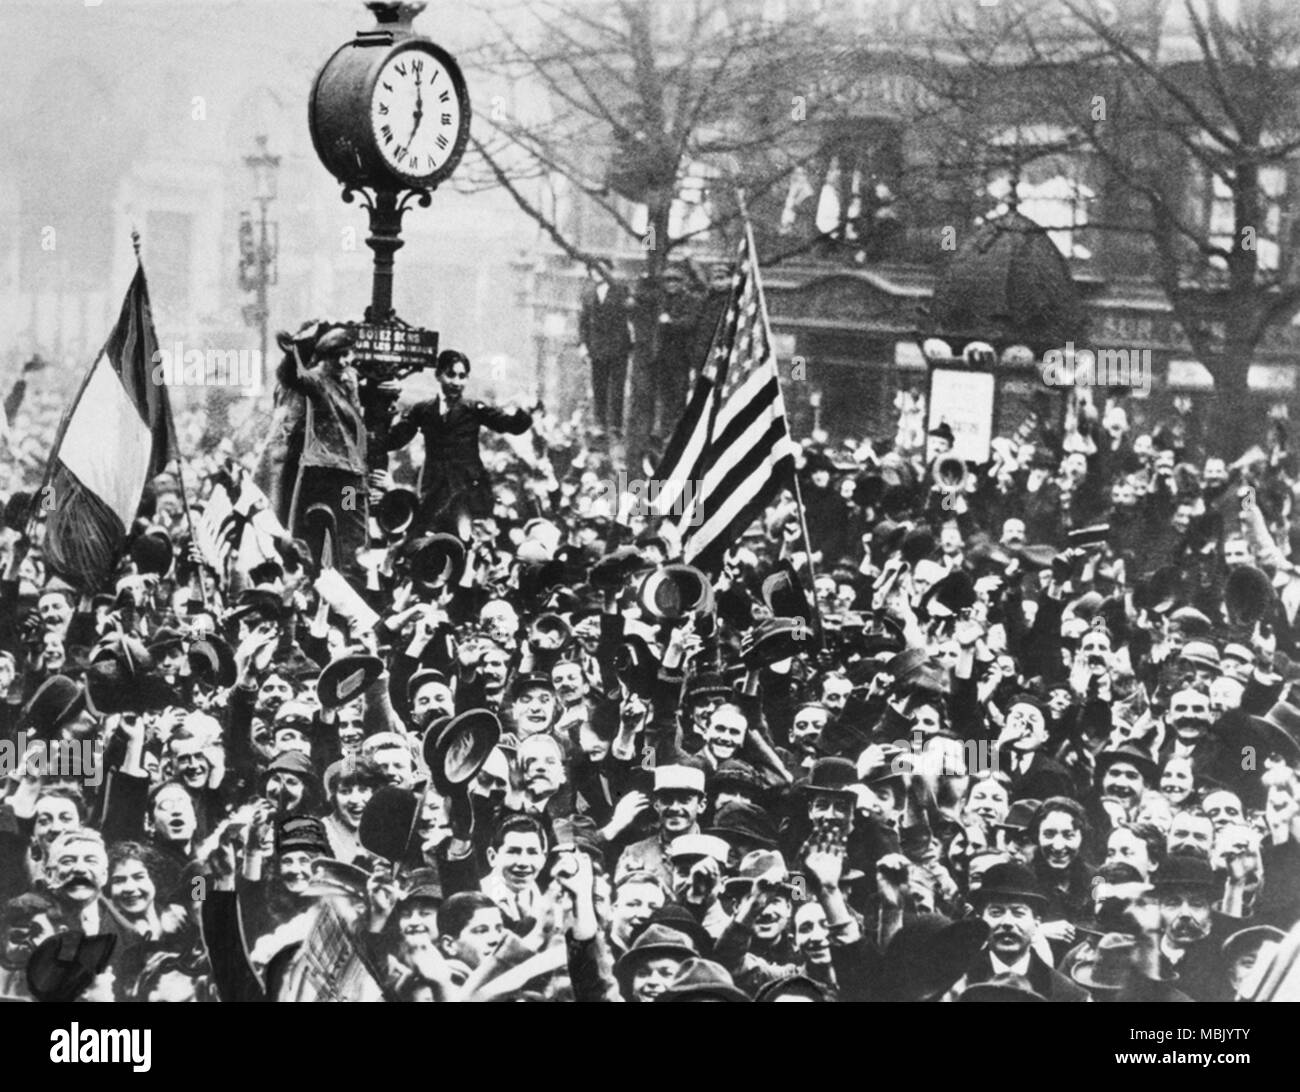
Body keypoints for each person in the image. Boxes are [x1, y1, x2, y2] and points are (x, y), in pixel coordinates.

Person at [385, 350, 533, 537]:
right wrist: (383, 418)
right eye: (451, 375)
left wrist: (524, 409)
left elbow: (510, 425)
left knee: (467, 535)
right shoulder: (423, 410)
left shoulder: (473, 409)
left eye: (462, 376)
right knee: (422, 533)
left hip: (469, 486)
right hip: (434, 486)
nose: (456, 382)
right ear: (438, 375)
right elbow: (397, 439)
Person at [278, 325, 373, 573]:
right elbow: (293, 376)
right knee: (314, 530)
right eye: (337, 356)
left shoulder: (350, 378)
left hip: (350, 476)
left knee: (352, 530)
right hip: (322, 473)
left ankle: (351, 582)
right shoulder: (317, 379)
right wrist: (291, 353)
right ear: (325, 357)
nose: (343, 361)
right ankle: (314, 581)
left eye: (347, 354)